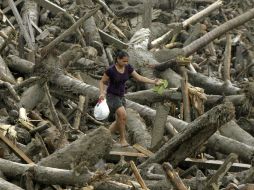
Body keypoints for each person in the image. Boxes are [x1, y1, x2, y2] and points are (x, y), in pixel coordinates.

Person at [99, 49, 162, 147]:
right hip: (112, 96)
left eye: (127, 61)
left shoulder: (128, 68)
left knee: (120, 119)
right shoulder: (111, 70)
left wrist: (154, 82)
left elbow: (140, 78)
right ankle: (122, 140)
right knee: (123, 115)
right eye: (124, 61)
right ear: (118, 60)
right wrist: (101, 93)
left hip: (121, 96)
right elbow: (102, 81)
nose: (126, 63)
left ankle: (105, 135)